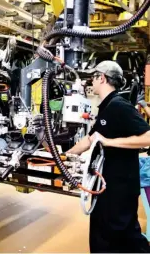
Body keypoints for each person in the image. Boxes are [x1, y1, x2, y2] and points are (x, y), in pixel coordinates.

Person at [66, 60, 150, 253]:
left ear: (101, 78)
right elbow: (90, 139)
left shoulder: (119, 106)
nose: (90, 82)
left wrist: (109, 142)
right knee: (103, 237)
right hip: (106, 186)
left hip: (120, 189)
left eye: (92, 77)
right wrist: (63, 157)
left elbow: (148, 137)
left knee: (124, 238)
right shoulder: (106, 107)